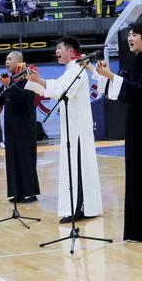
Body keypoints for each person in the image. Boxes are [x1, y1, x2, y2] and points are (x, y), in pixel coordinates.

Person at [94, 22, 142, 242]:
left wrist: (112, 77)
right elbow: (123, 88)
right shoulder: (136, 60)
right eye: (129, 34)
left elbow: (139, 90)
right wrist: (101, 74)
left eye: (134, 34)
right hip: (136, 122)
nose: (130, 38)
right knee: (137, 173)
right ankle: (138, 228)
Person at [25, 37, 102, 223]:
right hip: (71, 126)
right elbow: (53, 89)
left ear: (71, 51)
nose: (56, 51)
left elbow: (61, 89)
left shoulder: (78, 70)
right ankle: (79, 206)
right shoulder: (71, 70)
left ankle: (80, 207)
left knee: (78, 166)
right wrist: (35, 81)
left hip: (78, 127)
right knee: (73, 165)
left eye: (59, 48)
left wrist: (40, 80)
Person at [0, 52, 40, 203]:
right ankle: (17, 192)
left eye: (9, 59)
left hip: (24, 123)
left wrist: (8, 84)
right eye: (6, 59)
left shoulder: (29, 75)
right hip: (11, 124)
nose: (6, 62)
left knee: (25, 158)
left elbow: (24, 97)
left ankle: (30, 193)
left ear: (19, 60)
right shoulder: (10, 79)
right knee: (13, 158)